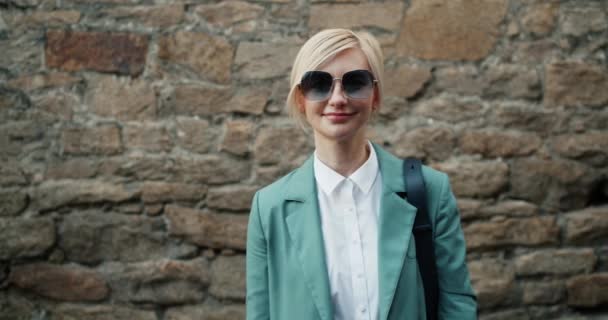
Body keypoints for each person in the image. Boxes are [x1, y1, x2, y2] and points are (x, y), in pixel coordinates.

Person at [246, 28, 477, 320]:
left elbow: (456, 304)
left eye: (356, 82)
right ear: (301, 99)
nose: (338, 98)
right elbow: (260, 314)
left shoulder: (431, 191)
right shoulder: (269, 208)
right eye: (319, 83)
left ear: (375, 95)